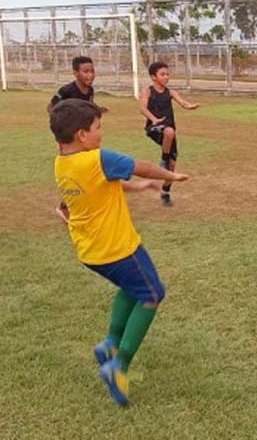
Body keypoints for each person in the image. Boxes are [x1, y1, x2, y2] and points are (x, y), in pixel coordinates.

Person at [49, 98, 189, 406]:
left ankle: (110, 343)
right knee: (152, 293)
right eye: (98, 128)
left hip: (91, 251)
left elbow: (102, 184)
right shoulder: (97, 158)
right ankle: (119, 365)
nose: (101, 133)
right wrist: (170, 176)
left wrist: (139, 188)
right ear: (81, 135)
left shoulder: (64, 163)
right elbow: (142, 164)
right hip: (117, 248)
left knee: (132, 287)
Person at [47, 56, 109, 222]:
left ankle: (83, 203)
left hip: (85, 137)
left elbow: (86, 107)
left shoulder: (90, 90)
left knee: (89, 167)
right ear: (76, 73)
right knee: (74, 172)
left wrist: (97, 108)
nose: (90, 75)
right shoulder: (66, 91)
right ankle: (64, 207)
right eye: (86, 71)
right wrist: (64, 129)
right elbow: (51, 108)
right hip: (69, 138)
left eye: (92, 71)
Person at [140, 61, 200, 207]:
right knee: (168, 131)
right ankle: (163, 159)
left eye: (168, 74)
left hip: (169, 134)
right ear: (154, 77)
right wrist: (154, 120)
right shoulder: (148, 90)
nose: (166, 77)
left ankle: (165, 192)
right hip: (154, 128)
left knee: (172, 168)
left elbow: (183, 103)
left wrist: (190, 106)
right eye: (163, 74)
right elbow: (142, 108)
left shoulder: (170, 92)